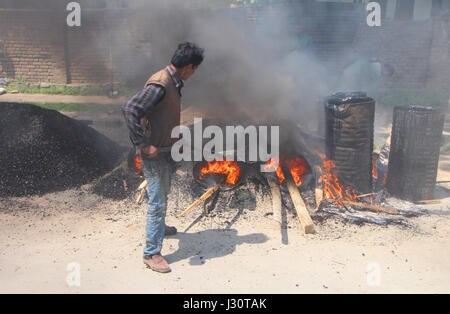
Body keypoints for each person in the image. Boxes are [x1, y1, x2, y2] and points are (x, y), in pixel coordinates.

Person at [122, 42, 204, 273]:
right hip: (154, 152)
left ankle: (158, 228)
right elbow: (130, 109)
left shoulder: (173, 82)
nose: (194, 73)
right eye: (195, 68)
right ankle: (151, 253)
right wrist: (143, 145)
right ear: (189, 66)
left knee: (163, 193)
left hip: (165, 149)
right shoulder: (161, 84)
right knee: (157, 199)